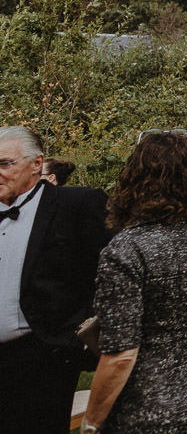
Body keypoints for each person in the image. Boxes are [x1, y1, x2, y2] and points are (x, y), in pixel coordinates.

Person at [82, 132, 187, 434]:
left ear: (135, 177)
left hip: (146, 409)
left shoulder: (126, 249)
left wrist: (91, 422)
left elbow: (121, 355)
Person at [0, 125, 111, 434]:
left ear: (37, 164)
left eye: (5, 163)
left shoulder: (77, 205)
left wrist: (79, 331)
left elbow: (114, 272)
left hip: (44, 357)